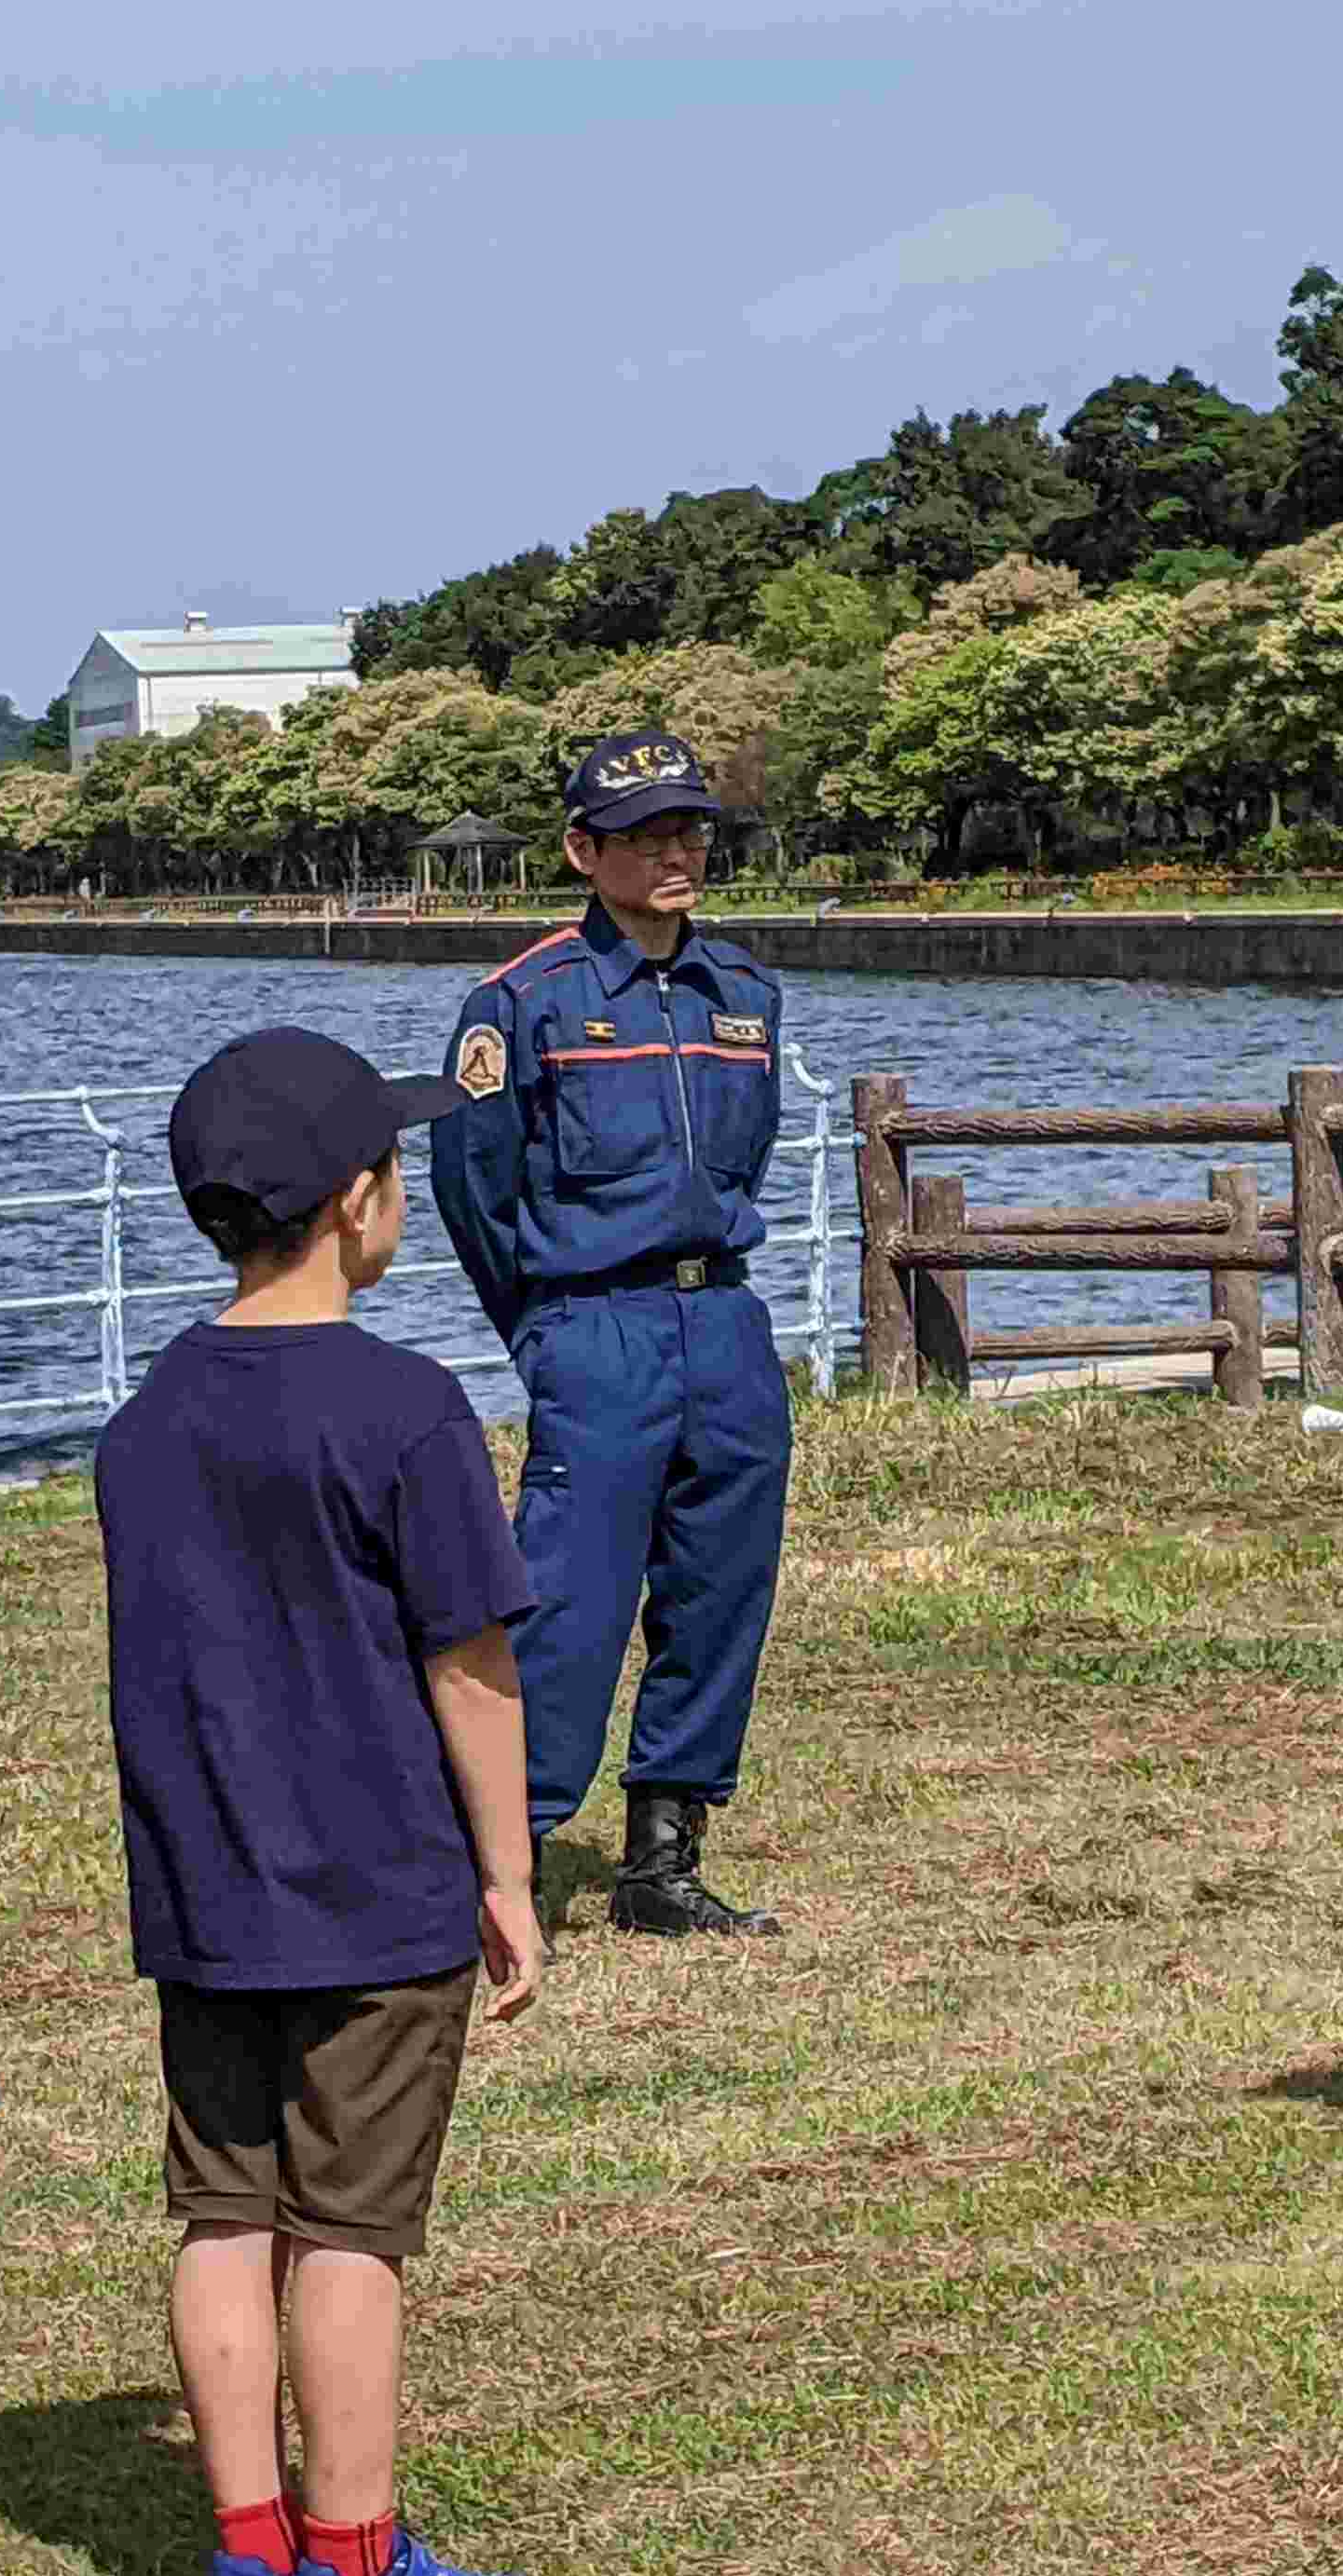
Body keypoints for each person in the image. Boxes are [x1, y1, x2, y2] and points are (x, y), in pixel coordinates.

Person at [98, 1027, 544, 2576]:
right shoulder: (410, 1411)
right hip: (375, 1892)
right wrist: (506, 1869)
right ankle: (354, 2566)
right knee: (351, 2230)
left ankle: (246, 2562)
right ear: (361, 1201)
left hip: (207, 1893)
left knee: (224, 2214)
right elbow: (472, 1667)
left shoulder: (145, 1418)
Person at [430, 730, 792, 1941]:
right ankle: (501, 1861)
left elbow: (752, 1152)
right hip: (595, 1329)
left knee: (720, 1589)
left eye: (690, 828)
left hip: (725, 1322)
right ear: (584, 851)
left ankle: (663, 1860)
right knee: (569, 1606)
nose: (676, 852)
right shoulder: (522, 1003)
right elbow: (472, 1184)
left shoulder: (745, 994)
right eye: (644, 835)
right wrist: (544, 1330)